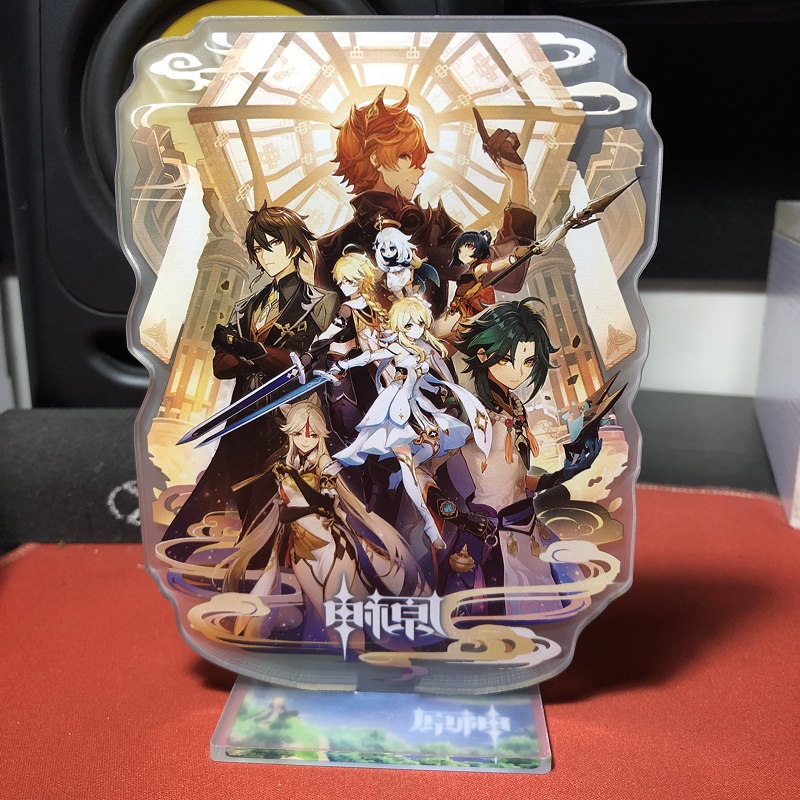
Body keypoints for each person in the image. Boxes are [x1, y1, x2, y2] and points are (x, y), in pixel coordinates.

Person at [163, 202, 338, 542]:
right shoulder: (247, 306)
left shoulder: (321, 302)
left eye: (272, 244)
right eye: (258, 248)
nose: (264, 254)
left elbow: (307, 361)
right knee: (228, 489)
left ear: (293, 246)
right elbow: (221, 365)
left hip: (288, 418)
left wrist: (249, 349)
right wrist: (249, 356)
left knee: (275, 501)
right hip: (242, 415)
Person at [431, 298, 601, 614]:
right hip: (486, 537)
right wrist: (459, 517)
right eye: (510, 360)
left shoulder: (515, 408)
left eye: (529, 361)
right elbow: (425, 472)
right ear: (484, 355)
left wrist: (566, 472)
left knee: (556, 608)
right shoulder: (469, 413)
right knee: (488, 619)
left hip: (527, 529)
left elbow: (519, 481)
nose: (520, 372)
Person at [217, 397, 428, 643]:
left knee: (339, 615)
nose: (305, 440)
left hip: (332, 548)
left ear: (320, 436)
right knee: (327, 617)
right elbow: (282, 510)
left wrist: (294, 482)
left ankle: (360, 652)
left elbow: (324, 502)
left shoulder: (326, 466)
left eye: (312, 435)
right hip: (301, 553)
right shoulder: (286, 465)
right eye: (298, 433)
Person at [316, 90, 539, 314]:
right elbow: (322, 326)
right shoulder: (332, 248)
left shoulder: (431, 227)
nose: (419, 170)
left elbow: (509, 275)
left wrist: (518, 179)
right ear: (375, 159)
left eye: (420, 160)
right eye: (406, 157)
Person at [322, 297, 492, 551]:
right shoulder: (394, 348)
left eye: (420, 324)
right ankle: (430, 524)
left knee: (428, 452)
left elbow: (431, 382)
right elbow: (369, 357)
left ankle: (390, 477)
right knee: (407, 467)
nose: (416, 330)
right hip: (396, 410)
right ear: (399, 325)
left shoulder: (423, 350)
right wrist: (344, 364)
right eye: (409, 325)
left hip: (420, 410)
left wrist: (447, 392)